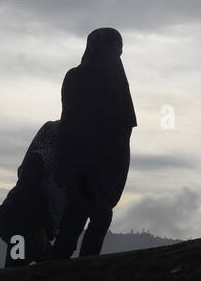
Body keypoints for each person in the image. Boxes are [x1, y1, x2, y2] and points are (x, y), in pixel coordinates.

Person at [52, 27, 137, 258]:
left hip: (106, 166)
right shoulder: (77, 78)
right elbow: (71, 123)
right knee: (80, 218)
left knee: (94, 217)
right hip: (80, 164)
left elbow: (124, 128)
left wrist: (117, 167)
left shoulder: (117, 83)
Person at [0, 120, 66, 267]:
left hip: (25, 225)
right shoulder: (50, 144)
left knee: (19, 258)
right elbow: (30, 182)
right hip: (21, 223)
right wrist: (38, 226)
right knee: (20, 254)